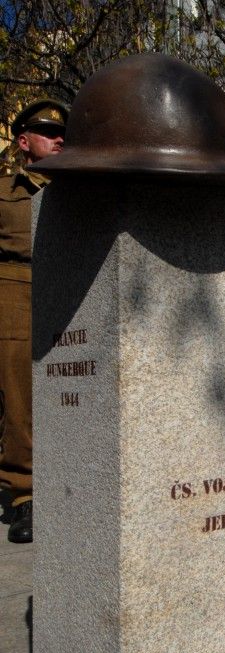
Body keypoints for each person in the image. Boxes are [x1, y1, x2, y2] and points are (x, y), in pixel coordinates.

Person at [0, 99, 68, 543]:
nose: (59, 138)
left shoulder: (79, 191)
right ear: (24, 142)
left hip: (69, 287)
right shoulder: (5, 190)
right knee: (20, 394)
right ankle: (24, 495)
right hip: (17, 288)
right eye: (47, 132)